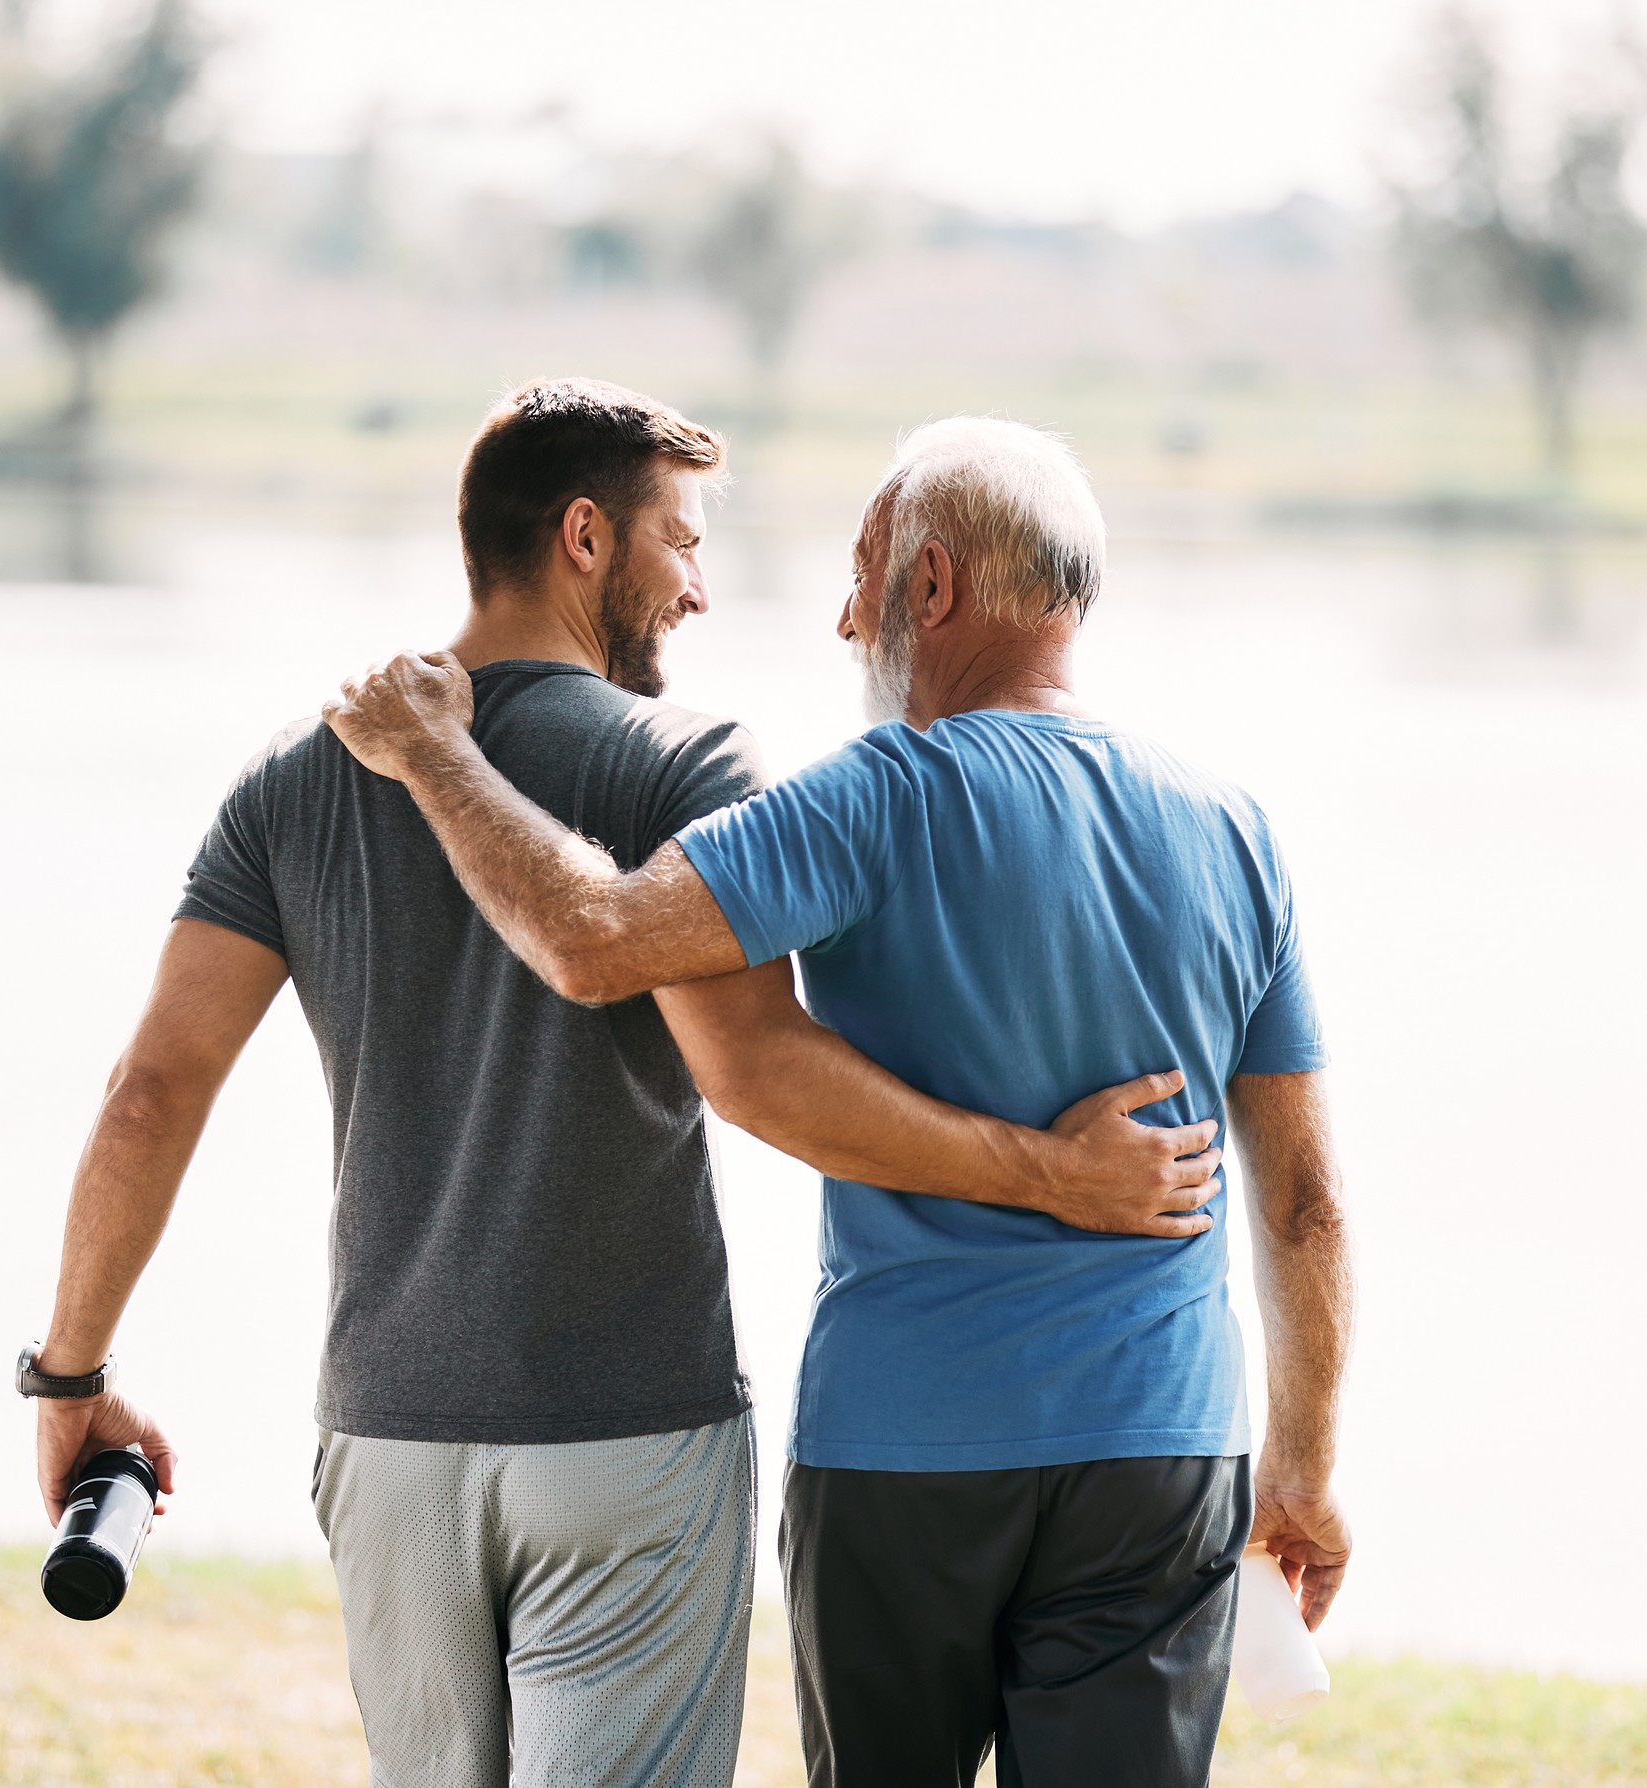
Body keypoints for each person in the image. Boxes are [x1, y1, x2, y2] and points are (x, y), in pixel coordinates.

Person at [16, 382, 1224, 1788]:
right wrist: (1045, 1172)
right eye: (680, 542)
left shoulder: (298, 776)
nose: (700, 590)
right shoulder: (688, 763)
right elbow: (758, 1071)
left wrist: (71, 1378)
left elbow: (148, 1095)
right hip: (630, 1434)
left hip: (388, 1430)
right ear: (583, 538)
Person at [324, 416, 1357, 1788]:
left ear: (932, 587)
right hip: (1160, 1447)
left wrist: (435, 756)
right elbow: (1300, 1198)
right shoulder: (1231, 826)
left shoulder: (869, 800)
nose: (840, 619)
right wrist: (1299, 1468)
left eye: (864, 575)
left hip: (904, 1448)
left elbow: (592, 942)